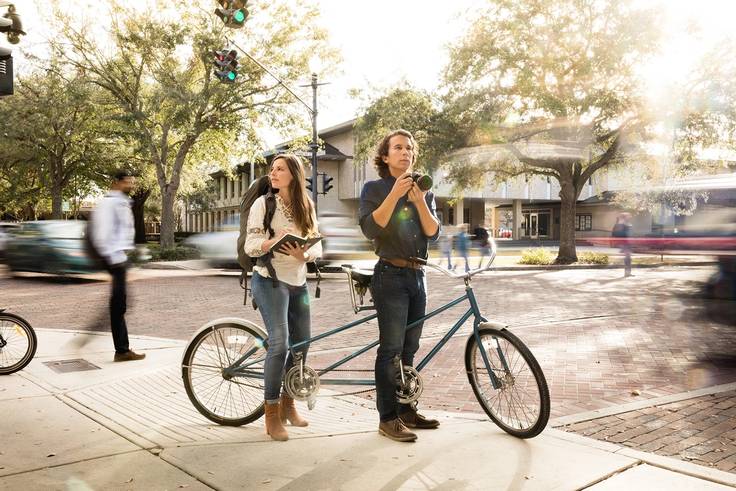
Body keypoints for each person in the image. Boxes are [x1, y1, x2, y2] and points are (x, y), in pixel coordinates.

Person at [359, 129, 441, 443]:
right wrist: (395, 193)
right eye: (398, 148)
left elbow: (433, 232)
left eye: (409, 148)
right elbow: (370, 228)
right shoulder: (374, 188)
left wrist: (419, 201)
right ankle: (387, 418)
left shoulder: (423, 190)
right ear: (385, 156)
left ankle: (407, 410)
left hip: (418, 276)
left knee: (409, 349)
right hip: (389, 276)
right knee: (391, 350)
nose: (405, 152)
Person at [243, 154, 322, 442]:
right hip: (270, 280)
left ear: (294, 175)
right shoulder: (263, 204)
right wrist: (273, 242)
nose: (273, 174)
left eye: (280, 169)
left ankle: (289, 405)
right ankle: (272, 415)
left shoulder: (306, 205)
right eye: (272, 169)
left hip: (298, 282)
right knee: (279, 344)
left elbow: (318, 245)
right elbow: (252, 245)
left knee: (302, 344)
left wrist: (305, 254)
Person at [91, 170, 145, 362]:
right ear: (116, 182)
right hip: (114, 258)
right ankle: (121, 350)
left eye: (132, 181)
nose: (131, 185)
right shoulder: (110, 203)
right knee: (119, 304)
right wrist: (114, 258)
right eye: (127, 182)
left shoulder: (119, 201)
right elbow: (103, 233)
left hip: (118, 257)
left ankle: (122, 348)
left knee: (119, 303)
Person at [611, 212, 633, 277]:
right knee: (628, 257)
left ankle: (628, 272)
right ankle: (627, 273)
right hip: (623, 243)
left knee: (628, 257)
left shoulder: (626, 224)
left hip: (627, 242)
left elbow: (628, 234)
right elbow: (615, 234)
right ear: (624, 217)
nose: (629, 217)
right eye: (628, 216)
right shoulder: (619, 224)